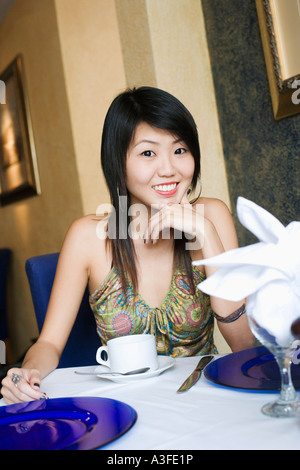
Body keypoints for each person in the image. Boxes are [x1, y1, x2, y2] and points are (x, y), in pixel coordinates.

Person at [1, 87, 254, 403]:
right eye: (148, 153)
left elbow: (246, 348)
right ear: (118, 161)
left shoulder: (212, 216)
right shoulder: (87, 236)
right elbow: (49, 344)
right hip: (125, 406)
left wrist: (205, 232)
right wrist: (26, 373)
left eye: (180, 150)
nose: (169, 169)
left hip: (204, 398)